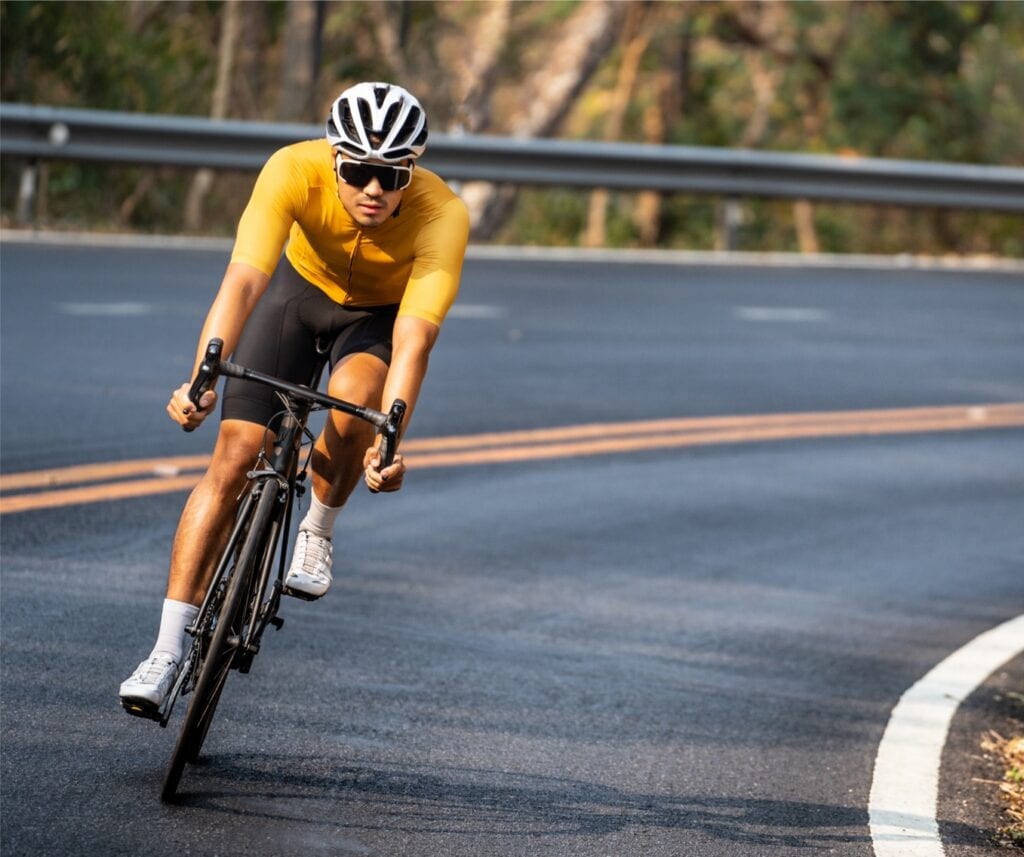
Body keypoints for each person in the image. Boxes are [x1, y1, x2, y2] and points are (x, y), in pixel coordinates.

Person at [119, 82, 470, 716]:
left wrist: (390, 443)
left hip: (375, 319)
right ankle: (166, 652)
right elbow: (245, 279)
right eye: (359, 170)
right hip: (295, 297)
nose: (373, 189)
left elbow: (414, 339)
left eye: (390, 176)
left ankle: (318, 527)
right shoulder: (291, 168)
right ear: (336, 160)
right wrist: (200, 379)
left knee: (355, 398)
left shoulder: (443, 214)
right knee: (233, 457)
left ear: (409, 173)